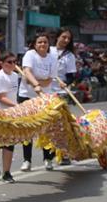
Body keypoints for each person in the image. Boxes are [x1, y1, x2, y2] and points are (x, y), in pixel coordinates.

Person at [17, 33, 57, 171]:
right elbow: (27, 72)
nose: (42, 45)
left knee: (45, 129)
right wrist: (35, 83)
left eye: (45, 42)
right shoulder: (30, 55)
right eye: (39, 42)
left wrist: (37, 84)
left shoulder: (52, 58)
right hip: (26, 96)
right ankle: (27, 160)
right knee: (27, 129)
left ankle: (48, 158)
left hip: (44, 97)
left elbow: (49, 80)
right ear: (35, 44)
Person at [0, 52, 19, 183]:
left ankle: (7, 172)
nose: (12, 65)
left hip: (10, 113)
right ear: (1, 63)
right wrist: (17, 106)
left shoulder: (16, 76)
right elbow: (2, 98)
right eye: (9, 62)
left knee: (9, 143)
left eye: (14, 62)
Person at [50, 28, 78, 166]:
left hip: (61, 94)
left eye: (68, 38)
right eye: (63, 37)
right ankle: (49, 154)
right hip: (46, 92)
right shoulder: (48, 50)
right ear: (57, 37)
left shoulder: (69, 56)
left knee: (62, 125)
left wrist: (66, 83)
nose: (66, 40)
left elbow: (71, 76)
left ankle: (65, 154)